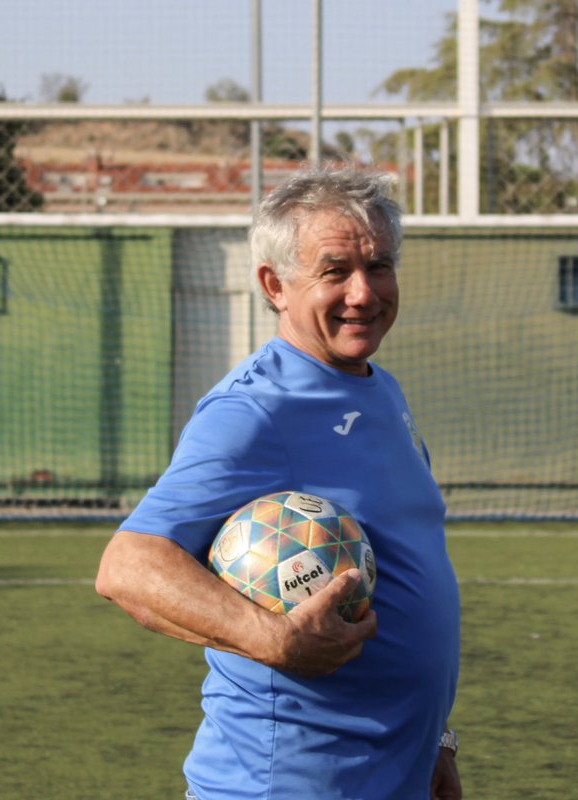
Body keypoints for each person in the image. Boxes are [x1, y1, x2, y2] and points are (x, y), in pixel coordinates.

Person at [95, 163, 462, 800]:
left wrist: (435, 740)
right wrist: (277, 641)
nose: (363, 293)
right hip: (289, 783)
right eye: (334, 271)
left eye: (378, 266)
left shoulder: (381, 390)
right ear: (276, 284)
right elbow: (128, 567)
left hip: (391, 773)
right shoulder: (255, 409)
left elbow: (407, 577)